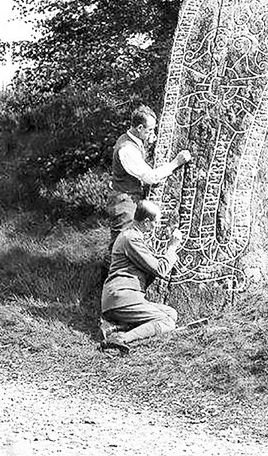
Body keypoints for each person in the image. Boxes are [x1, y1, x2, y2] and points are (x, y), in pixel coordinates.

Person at [100, 200, 182, 354]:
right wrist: (172, 247)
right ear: (146, 222)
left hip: (124, 297)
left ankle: (115, 326)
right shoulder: (131, 238)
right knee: (167, 322)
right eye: (154, 223)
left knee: (172, 314)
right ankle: (120, 338)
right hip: (122, 297)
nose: (156, 226)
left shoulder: (130, 234)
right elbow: (160, 269)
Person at [107, 105, 191, 250]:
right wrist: (176, 162)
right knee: (122, 245)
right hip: (124, 202)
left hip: (130, 198)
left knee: (129, 243)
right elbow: (151, 177)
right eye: (150, 129)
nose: (153, 133)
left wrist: (150, 137)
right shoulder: (127, 149)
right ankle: (111, 272)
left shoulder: (132, 139)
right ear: (139, 128)